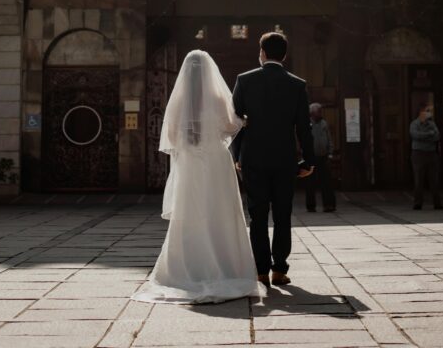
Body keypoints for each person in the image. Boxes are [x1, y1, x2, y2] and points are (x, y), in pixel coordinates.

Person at [133, 50, 264, 304]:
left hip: (190, 163)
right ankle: (227, 268)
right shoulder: (217, 97)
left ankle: (186, 270)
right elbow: (230, 126)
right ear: (209, 72)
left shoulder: (178, 101)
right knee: (220, 211)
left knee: (190, 213)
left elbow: (170, 136)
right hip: (216, 161)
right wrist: (243, 121)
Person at [232, 31, 315, 287]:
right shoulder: (297, 84)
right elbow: (304, 126)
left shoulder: (244, 81)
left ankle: (260, 271)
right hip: (284, 160)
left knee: (257, 215)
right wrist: (308, 161)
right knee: (282, 214)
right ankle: (280, 269)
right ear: (285, 55)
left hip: (253, 159)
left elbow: (234, 122)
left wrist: (237, 155)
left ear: (262, 53)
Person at [409, 104, 443, 210]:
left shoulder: (432, 124)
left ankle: (437, 203)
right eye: (426, 111)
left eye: (428, 111)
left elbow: (437, 136)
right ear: (420, 113)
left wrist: (424, 135)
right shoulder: (414, 124)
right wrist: (429, 135)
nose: (428, 113)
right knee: (419, 179)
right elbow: (415, 135)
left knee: (434, 179)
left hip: (431, 154)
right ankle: (418, 203)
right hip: (418, 154)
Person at [305, 103, 336, 213]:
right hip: (311, 157)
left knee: (326, 182)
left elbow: (329, 138)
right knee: (310, 183)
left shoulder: (324, 124)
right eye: (319, 111)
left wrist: (330, 152)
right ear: (313, 112)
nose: (320, 113)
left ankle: (329, 205)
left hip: (323, 157)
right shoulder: (307, 124)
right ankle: (310, 205)